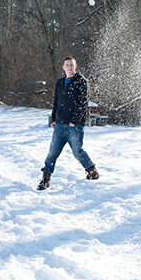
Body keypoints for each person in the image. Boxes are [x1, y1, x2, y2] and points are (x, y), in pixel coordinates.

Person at [37, 56, 99, 190]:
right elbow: (56, 102)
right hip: (59, 124)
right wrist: (53, 119)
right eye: (67, 65)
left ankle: (92, 171)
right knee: (52, 152)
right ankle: (45, 178)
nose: (69, 67)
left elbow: (82, 103)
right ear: (63, 67)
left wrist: (74, 120)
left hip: (74, 126)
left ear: (75, 67)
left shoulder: (81, 82)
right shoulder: (59, 83)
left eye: (72, 65)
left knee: (78, 152)